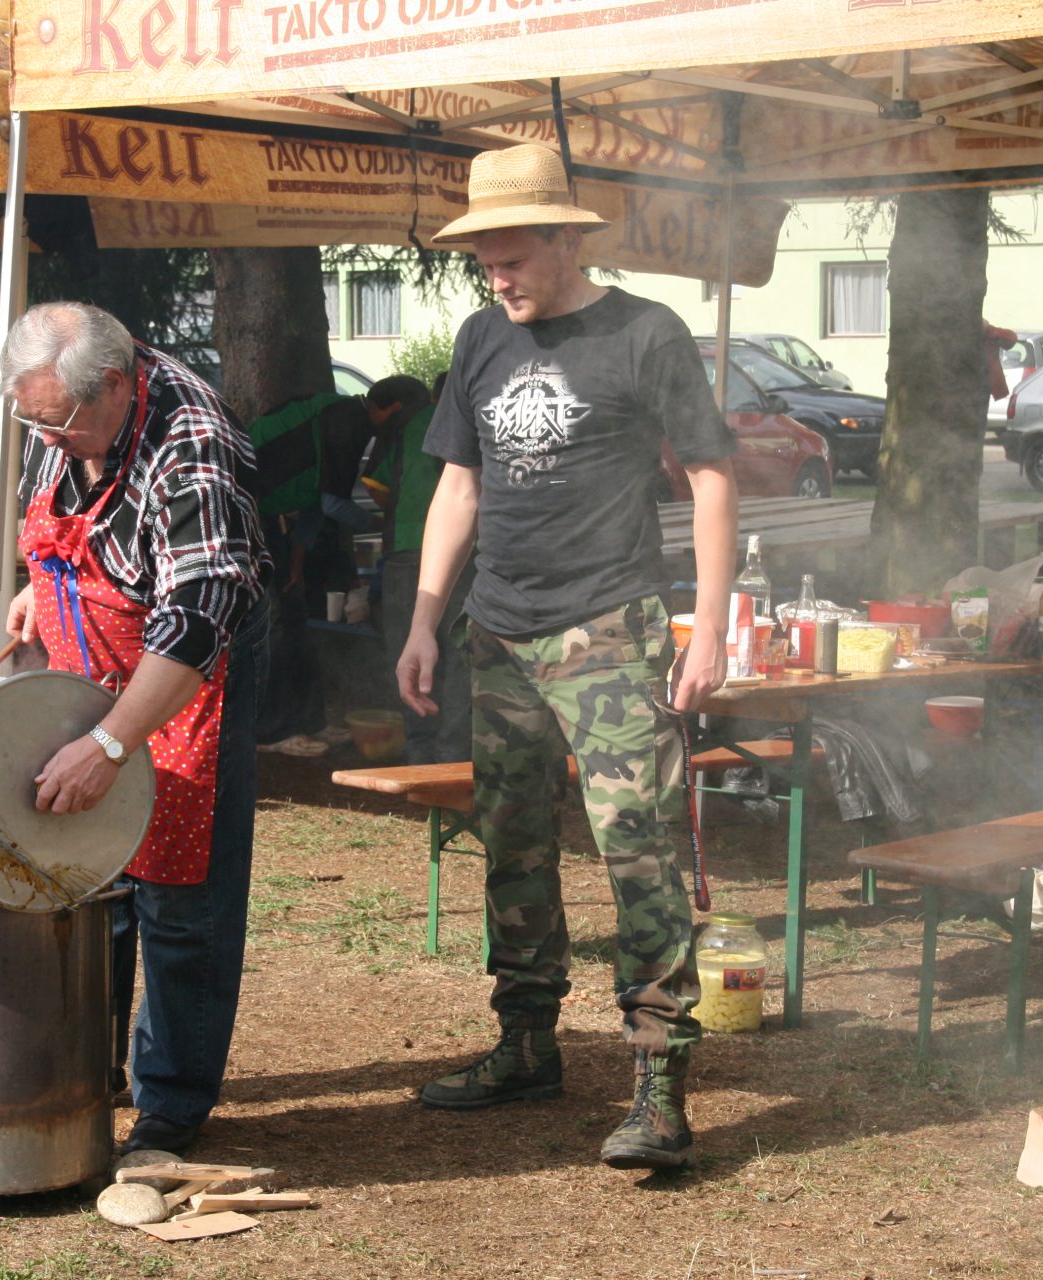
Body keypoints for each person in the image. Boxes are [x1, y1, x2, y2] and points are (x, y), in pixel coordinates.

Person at [396, 144, 740, 1172]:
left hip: (611, 628)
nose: (497, 278)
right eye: (485, 262)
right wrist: (425, 618)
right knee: (513, 846)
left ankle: (661, 1082)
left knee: (638, 849)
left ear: (565, 239)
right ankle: (526, 1045)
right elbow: (459, 486)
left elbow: (712, 476)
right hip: (499, 633)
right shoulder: (479, 339)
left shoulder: (645, 332)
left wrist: (710, 624)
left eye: (512, 258)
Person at [1, 302, 268, 1156]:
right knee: (93, 876)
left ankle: (171, 1107)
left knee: (179, 894)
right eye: (34, 423)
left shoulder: (193, 450)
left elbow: (196, 617)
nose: (47, 440)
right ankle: (92, 1070)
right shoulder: (60, 411)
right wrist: (41, 588)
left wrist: (113, 742)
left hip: (188, 674)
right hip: (90, 652)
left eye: (59, 425)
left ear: (115, 387)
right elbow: (68, 521)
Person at [246, 386, 378, 757]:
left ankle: (310, 720)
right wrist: (385, 522)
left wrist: (296, 565)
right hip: (239, 512)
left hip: (267, 517)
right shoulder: (347, 421)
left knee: (295, 615)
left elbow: (315, 505)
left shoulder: (342, 419)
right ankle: (268, 731)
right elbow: (333, 503)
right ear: (387, 409)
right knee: (271, 624)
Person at [363, 374, 471, 764]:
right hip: (464, 554)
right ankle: (455, 754)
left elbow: (374, 484)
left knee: (408, 652)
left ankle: (420, 753)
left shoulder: (407, 425)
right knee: (460, 655)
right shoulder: (474, 417)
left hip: (407, 549)